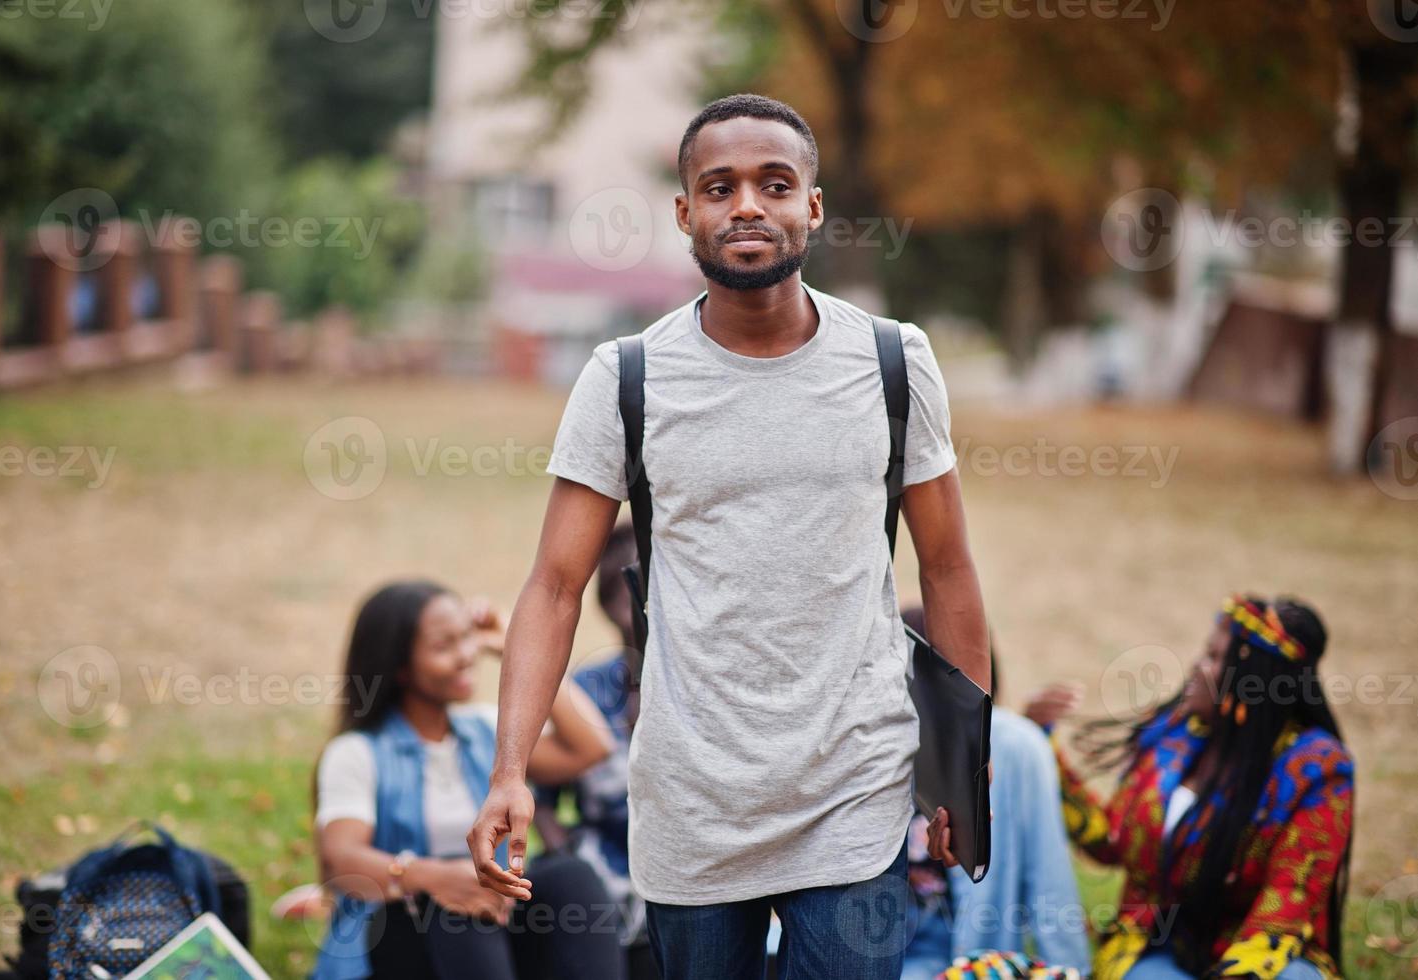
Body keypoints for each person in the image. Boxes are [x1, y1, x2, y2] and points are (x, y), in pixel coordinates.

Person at [467, 92, 992, 980]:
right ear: (685, 213)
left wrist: (959, 767)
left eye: (774, 184)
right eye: (719, 187)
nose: (747, 205)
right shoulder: (624, 379)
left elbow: (945, 567)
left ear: (811, 208)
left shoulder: (894, 362)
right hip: (690, 802)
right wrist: (508, 770)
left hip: (852, 787)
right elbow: (554, 587)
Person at [1025, 594, 1355, 979]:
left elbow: (1284, 906)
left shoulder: (1317, 771)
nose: (1198, 666)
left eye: (1215, 658)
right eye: (1205, 652)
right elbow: (1111, 839)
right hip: (1158, 945)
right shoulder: (1171, 736)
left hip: (1265, 957)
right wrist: (1039, 747)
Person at [311, 580, 623, 980]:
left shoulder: (482, 729)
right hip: (398, 934)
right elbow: (342, 859)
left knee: (567, 878)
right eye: (444, 647)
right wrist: (439, 879)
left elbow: (590, 747)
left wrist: (515, 647)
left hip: (495, 929)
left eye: (467, 638)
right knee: (458, 909)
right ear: (399, 667)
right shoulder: (357, 753)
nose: (466, 656)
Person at [895, 607, 1091, 978]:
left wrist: (1072, 969)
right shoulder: (881, 739)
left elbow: (1049, 877)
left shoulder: (1018, 746)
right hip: (889, 943)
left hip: (970, 952)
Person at [531, 522, 657, 978]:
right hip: (598, 878)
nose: (630, 602)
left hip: (685, 871)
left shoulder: (700, 684)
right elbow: (540, 794)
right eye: (616, 586)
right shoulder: (587, 687)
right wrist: (566, 855)